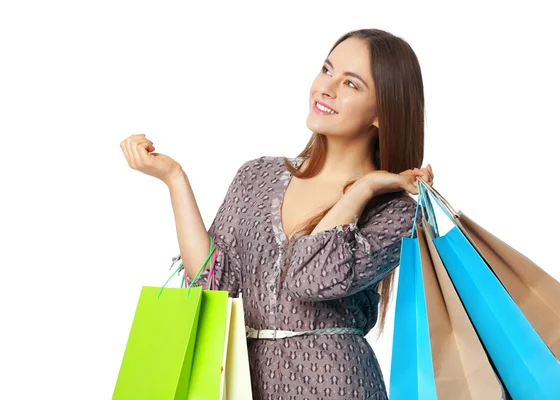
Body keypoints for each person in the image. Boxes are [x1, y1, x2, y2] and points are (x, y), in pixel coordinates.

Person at [120, 28, 434, 400]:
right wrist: (175, 179)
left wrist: (363, 189)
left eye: (350, 84)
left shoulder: (397, 213)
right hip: (242, 381)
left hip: (334, 385)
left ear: (383, 113)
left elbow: (312, 277)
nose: (326, 88)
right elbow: (215, 286)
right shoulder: (257, 175)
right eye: (326, 70)